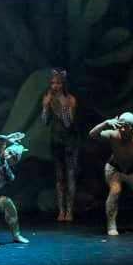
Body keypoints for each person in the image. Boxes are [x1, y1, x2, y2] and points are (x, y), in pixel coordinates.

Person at [89, 112, 133, 236]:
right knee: (115, 190)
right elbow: (92, 135)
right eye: (120, 125)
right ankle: (111, 226)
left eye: (125, 126)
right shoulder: (113, 134)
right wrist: (106, 123)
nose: (121, 129)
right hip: (114, 170)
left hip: (131, 171)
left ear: (132, 127)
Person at [41, 69, 79, 221]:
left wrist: (63, 107)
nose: (55, 86)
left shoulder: (70, 100)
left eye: (58, 83)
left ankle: (69, 211)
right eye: (53, 83)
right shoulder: (49, 99)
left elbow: (68, 124)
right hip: (56, 141)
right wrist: (45, 106)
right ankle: (61, 211)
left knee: (70, 175)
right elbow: (45, 122)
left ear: (63, 84)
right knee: (59, 176)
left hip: (70, 142)